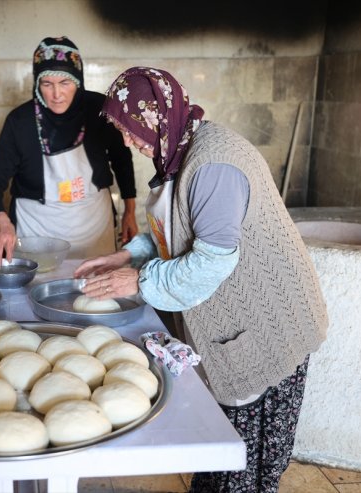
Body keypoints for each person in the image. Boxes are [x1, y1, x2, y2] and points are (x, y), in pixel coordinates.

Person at [75, 67, 328, 492]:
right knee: (220, 459)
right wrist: (126, 254)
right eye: (120, 129)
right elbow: (175, 229)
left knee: (246, 465)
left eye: (130, 128)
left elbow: (208, 263)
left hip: (268, 328)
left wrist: (136, 281)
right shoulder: (177, 150)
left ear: (155, 114)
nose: (126, 140)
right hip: (242, 322)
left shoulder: (213, 165)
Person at [0, 36, 138, 266]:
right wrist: (1, 222)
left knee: (97, 292)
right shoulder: (20, 121)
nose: (56, 94)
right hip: (37, 229)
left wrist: (130, 210)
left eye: (65, 83)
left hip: (93, 224)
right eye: (47, 84)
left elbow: (122, 159)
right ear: (36, 84)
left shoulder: (100, 110)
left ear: (79, 81)